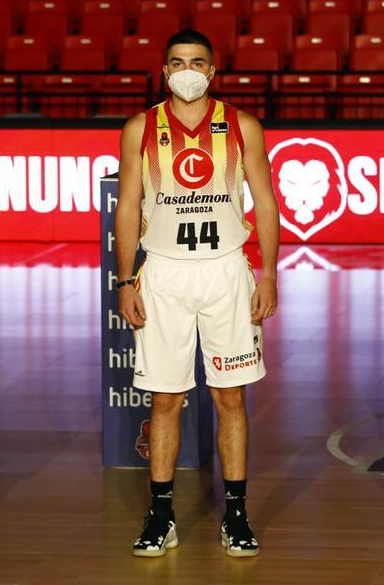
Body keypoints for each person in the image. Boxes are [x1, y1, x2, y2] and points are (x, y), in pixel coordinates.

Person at [115, 29, 280, 558]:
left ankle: (236, 515)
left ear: (213, 72)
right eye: (177, 62)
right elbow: (126, 208)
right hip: (163, 272)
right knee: (165, 399)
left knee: (230, 397)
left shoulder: (242, 126)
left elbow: (266, 202)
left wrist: (270, 273)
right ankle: (161, 515)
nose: (187, 70)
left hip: (225, 271)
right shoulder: (141, 127)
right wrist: (124, 281)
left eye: (198, 62)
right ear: (164, 72)